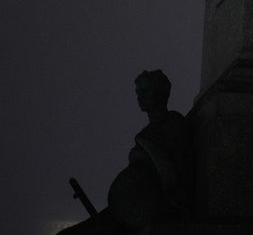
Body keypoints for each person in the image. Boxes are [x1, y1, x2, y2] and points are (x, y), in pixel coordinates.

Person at [61, 70, 192, 233]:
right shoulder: (146, 132)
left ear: (159, 93)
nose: (139, 97)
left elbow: (180, 170)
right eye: (138, 92)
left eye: (144, 91)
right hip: (128, 207)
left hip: (148, 208)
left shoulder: (173, 123)